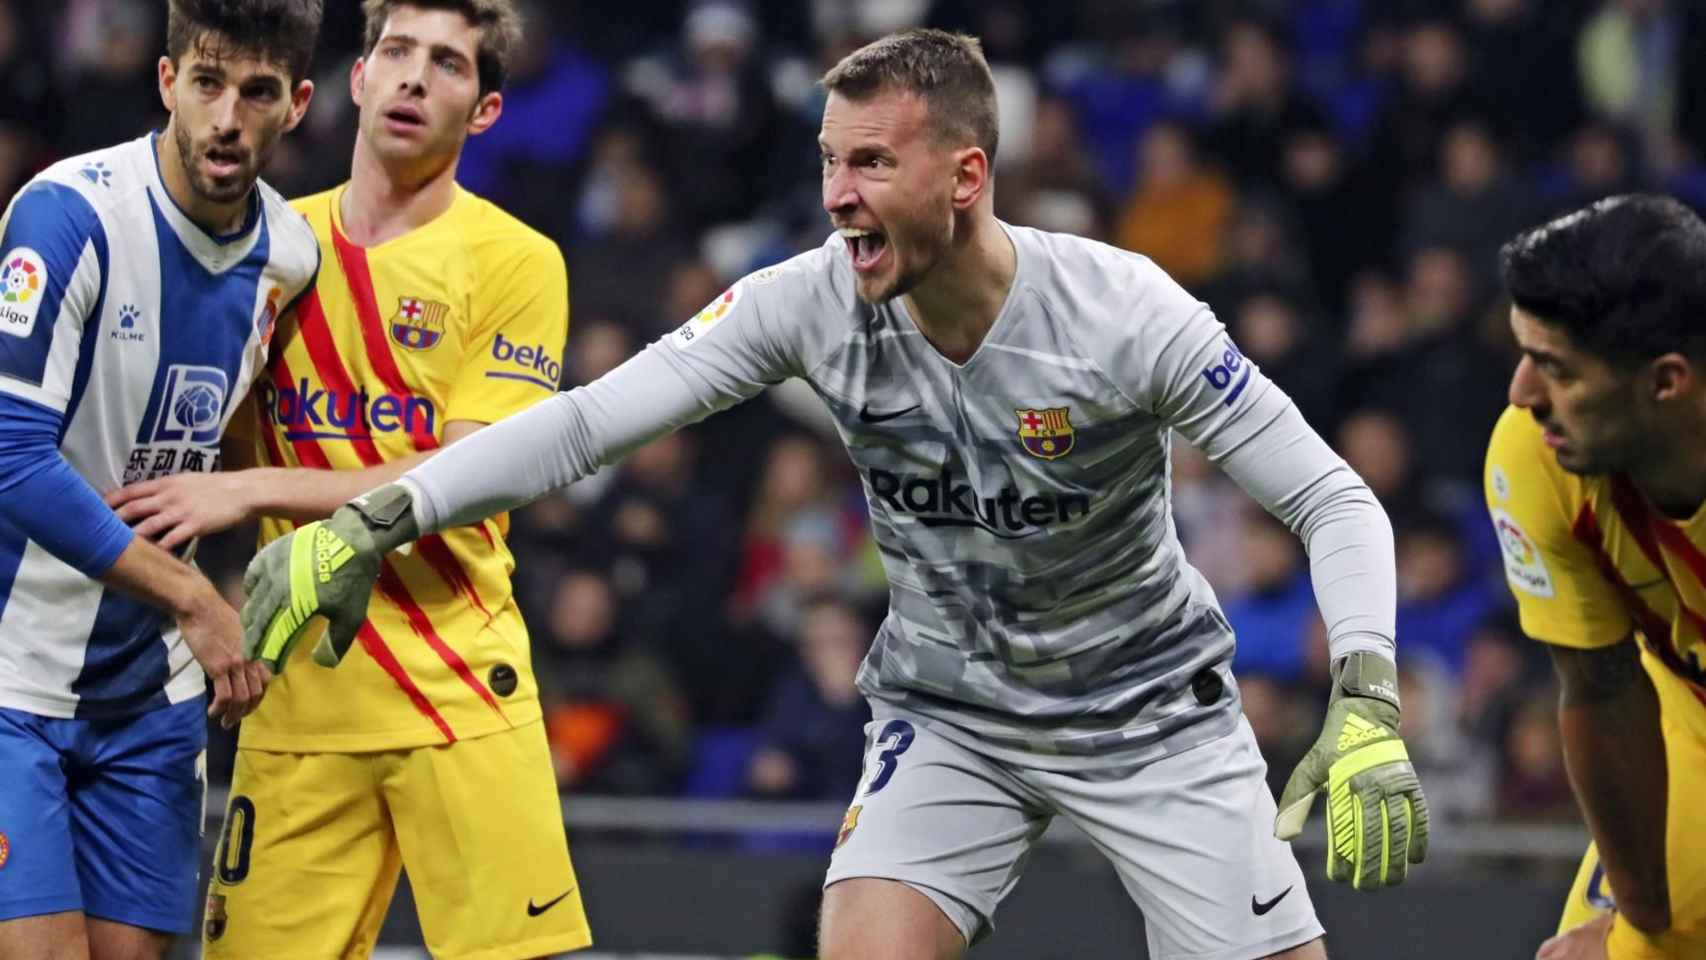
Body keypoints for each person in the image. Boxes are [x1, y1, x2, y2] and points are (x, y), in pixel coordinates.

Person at [246, 29, 1429, 960]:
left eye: (870, 163)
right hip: (951, 714)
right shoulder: (805, 301)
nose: (835, 195)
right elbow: (587, 424)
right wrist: (379, 514)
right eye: (827, 159)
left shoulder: (1124, 316)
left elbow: (1335, 500)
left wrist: (1365, 688)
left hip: (1148, 716)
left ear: (964, 177)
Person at [106, 1, 587, 957]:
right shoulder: (273, 250)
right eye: (396, 53)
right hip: (298, 699)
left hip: (458, 689)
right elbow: (217, 443)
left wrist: (252, 494)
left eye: (446, 65)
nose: (413, 78)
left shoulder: (519, 262)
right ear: (358, 79)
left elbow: (474, 468)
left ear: (483, 110)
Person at [0, 1, 322, 956]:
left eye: (257, 92)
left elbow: (232, 452)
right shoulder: (67, 215)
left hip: (150, 697)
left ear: (297, 104)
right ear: (166, 81)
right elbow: (12, 454)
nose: (228, 117)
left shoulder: (289, 256)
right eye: (208, 83)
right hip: (14, 680)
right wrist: (194, 594)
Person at [1484, 194, 1706, 960]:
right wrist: (1637, 922)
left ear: (1666, 381)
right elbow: (1602, 686)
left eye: (1555, 368)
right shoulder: (1535, 456)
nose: (1521, 394)